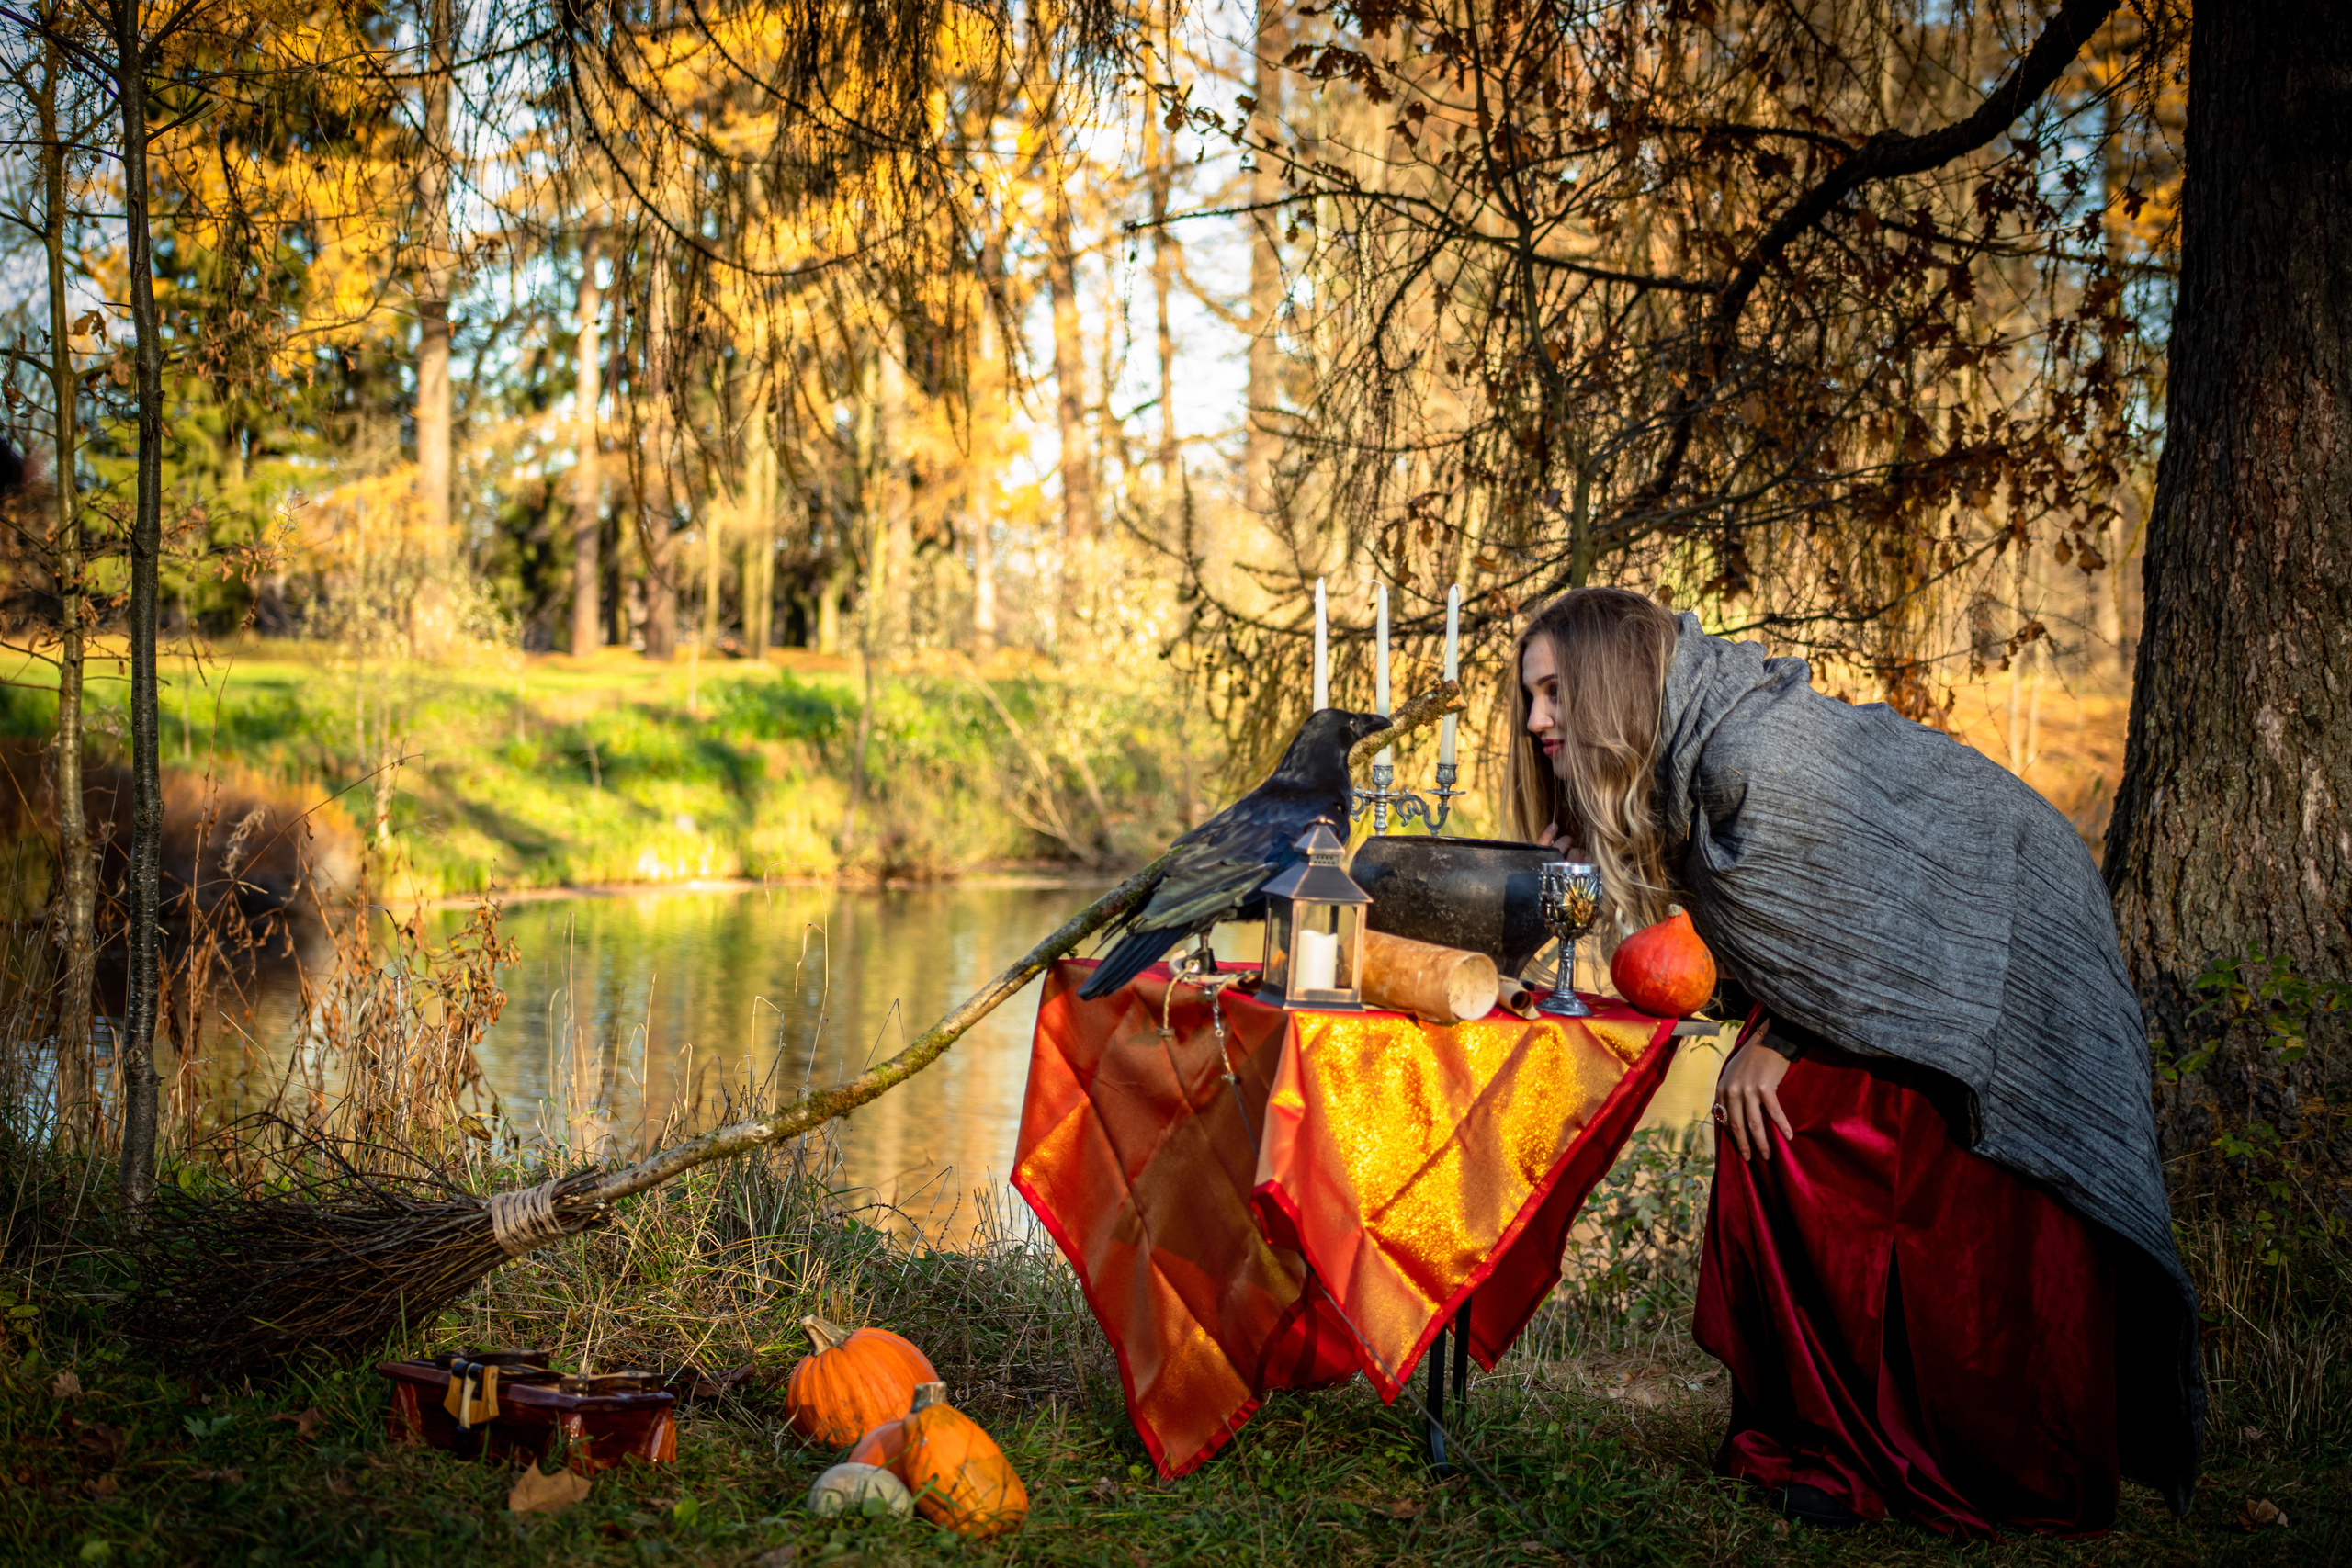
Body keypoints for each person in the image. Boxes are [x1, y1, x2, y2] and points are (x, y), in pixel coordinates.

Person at [1506, 585, 2200, 1537]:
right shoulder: (1691, 749)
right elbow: (1755, 939)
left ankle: (1906, 1447)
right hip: (1903, 960)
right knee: (1766, 1112)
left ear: (1610, 682)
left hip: (1998, 923)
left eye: (1553, 693)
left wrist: (1781, 1041)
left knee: (1801, 1118)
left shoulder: (1750, 752)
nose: (1536, 720)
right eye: (1530, 697)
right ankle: (1824, 1432)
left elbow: (1863, 917)